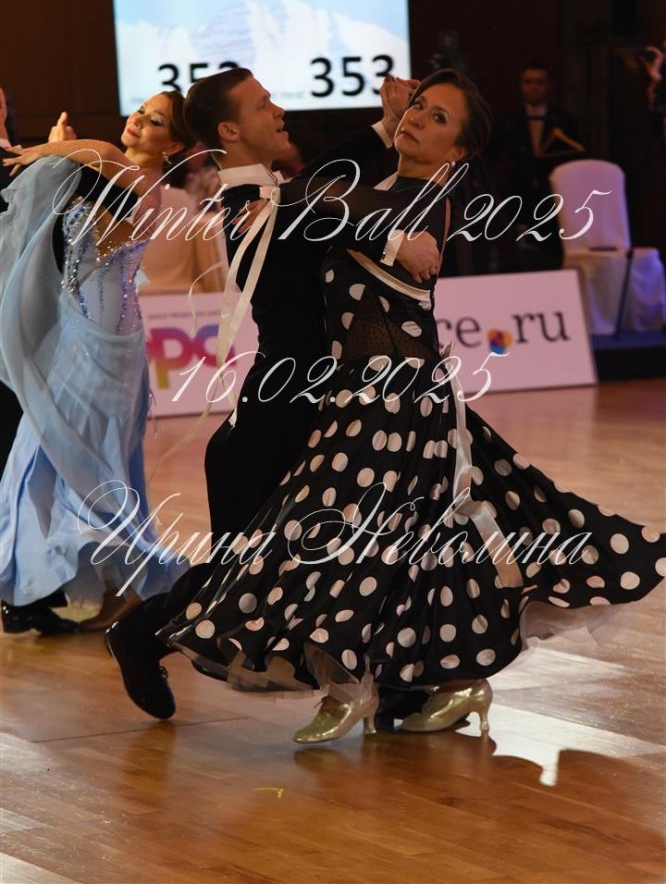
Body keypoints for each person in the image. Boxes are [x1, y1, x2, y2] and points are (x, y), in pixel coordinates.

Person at [158, 69, 665, 745]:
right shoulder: (372, 191)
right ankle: (446, 682)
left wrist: (342, 220)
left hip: (397, 399)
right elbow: (318, 196)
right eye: (419, 107)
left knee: (338, 537)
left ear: (460, 152)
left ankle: (351, 686)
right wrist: (334, 171)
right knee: (405, 552)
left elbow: (317, 199)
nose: (419, 119)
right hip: (363, 399)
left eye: (438, 119)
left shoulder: (424, 202)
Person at [105, 68, 440, 720]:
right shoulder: (248, 205)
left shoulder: (275, 194)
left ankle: (399, 686)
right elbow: (307, 214)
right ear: (230, 130)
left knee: (347, 547)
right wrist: (393, 238)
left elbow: (315, 193)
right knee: (246, 577)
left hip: (306, 407)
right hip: (275, 419)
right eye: (263, 104)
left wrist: (385, 126)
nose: (279, 109)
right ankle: (140, 633)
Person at [0, 92, 193, 633]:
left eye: (155, 121)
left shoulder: (144, 183)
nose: (139, 121)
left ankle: (106, 584)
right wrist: (61, 152)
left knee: (77, 458)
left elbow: (100, 155)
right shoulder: (106, 172)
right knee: (50, 453)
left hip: (102, 340)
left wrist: (52, 150)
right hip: (82, 331)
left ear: (174, 145)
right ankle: (66, 584)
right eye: (141, 110)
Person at [490, 63, 584, 271]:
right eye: (528, 82)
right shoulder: (507, 120)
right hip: (517, 199)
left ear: (548, 86)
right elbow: (492, 157)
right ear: (521, 86)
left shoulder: (565, 120)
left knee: (551, 254)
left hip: (553, 198)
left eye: (539, 82)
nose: (534, 87)